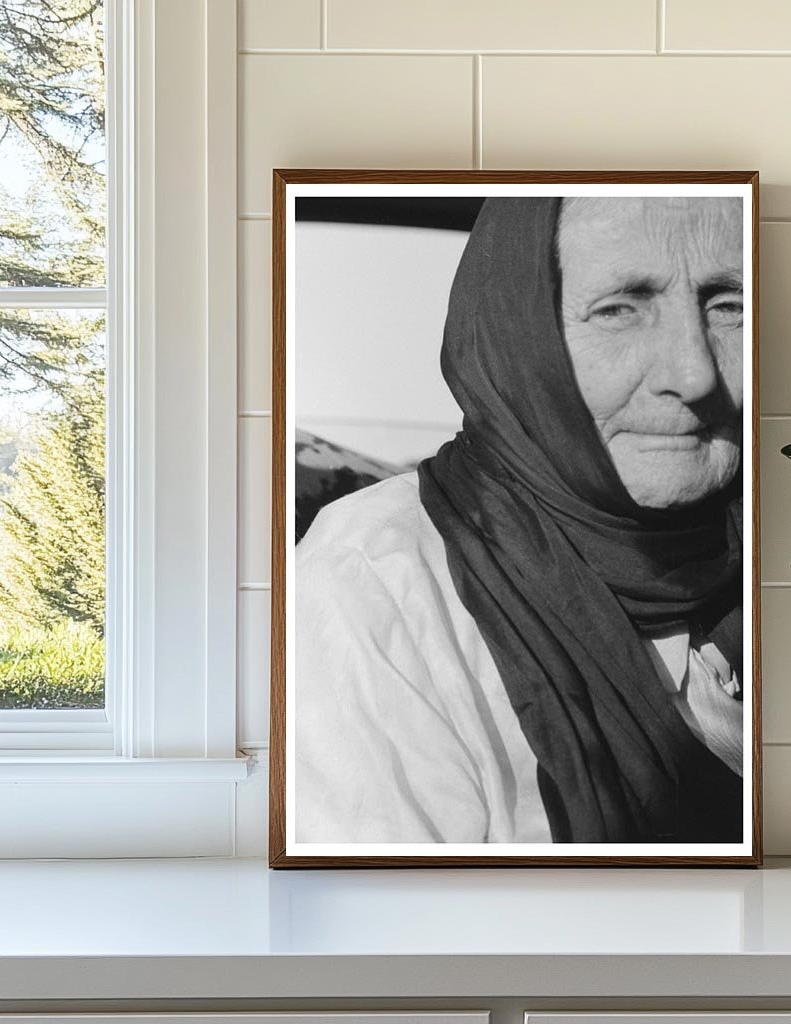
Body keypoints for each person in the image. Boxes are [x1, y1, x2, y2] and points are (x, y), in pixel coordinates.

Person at [294, 196, 745, 845]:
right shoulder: (371, 590)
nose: (694, 373)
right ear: (515, 336)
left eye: (728, 305)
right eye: (619, 309)